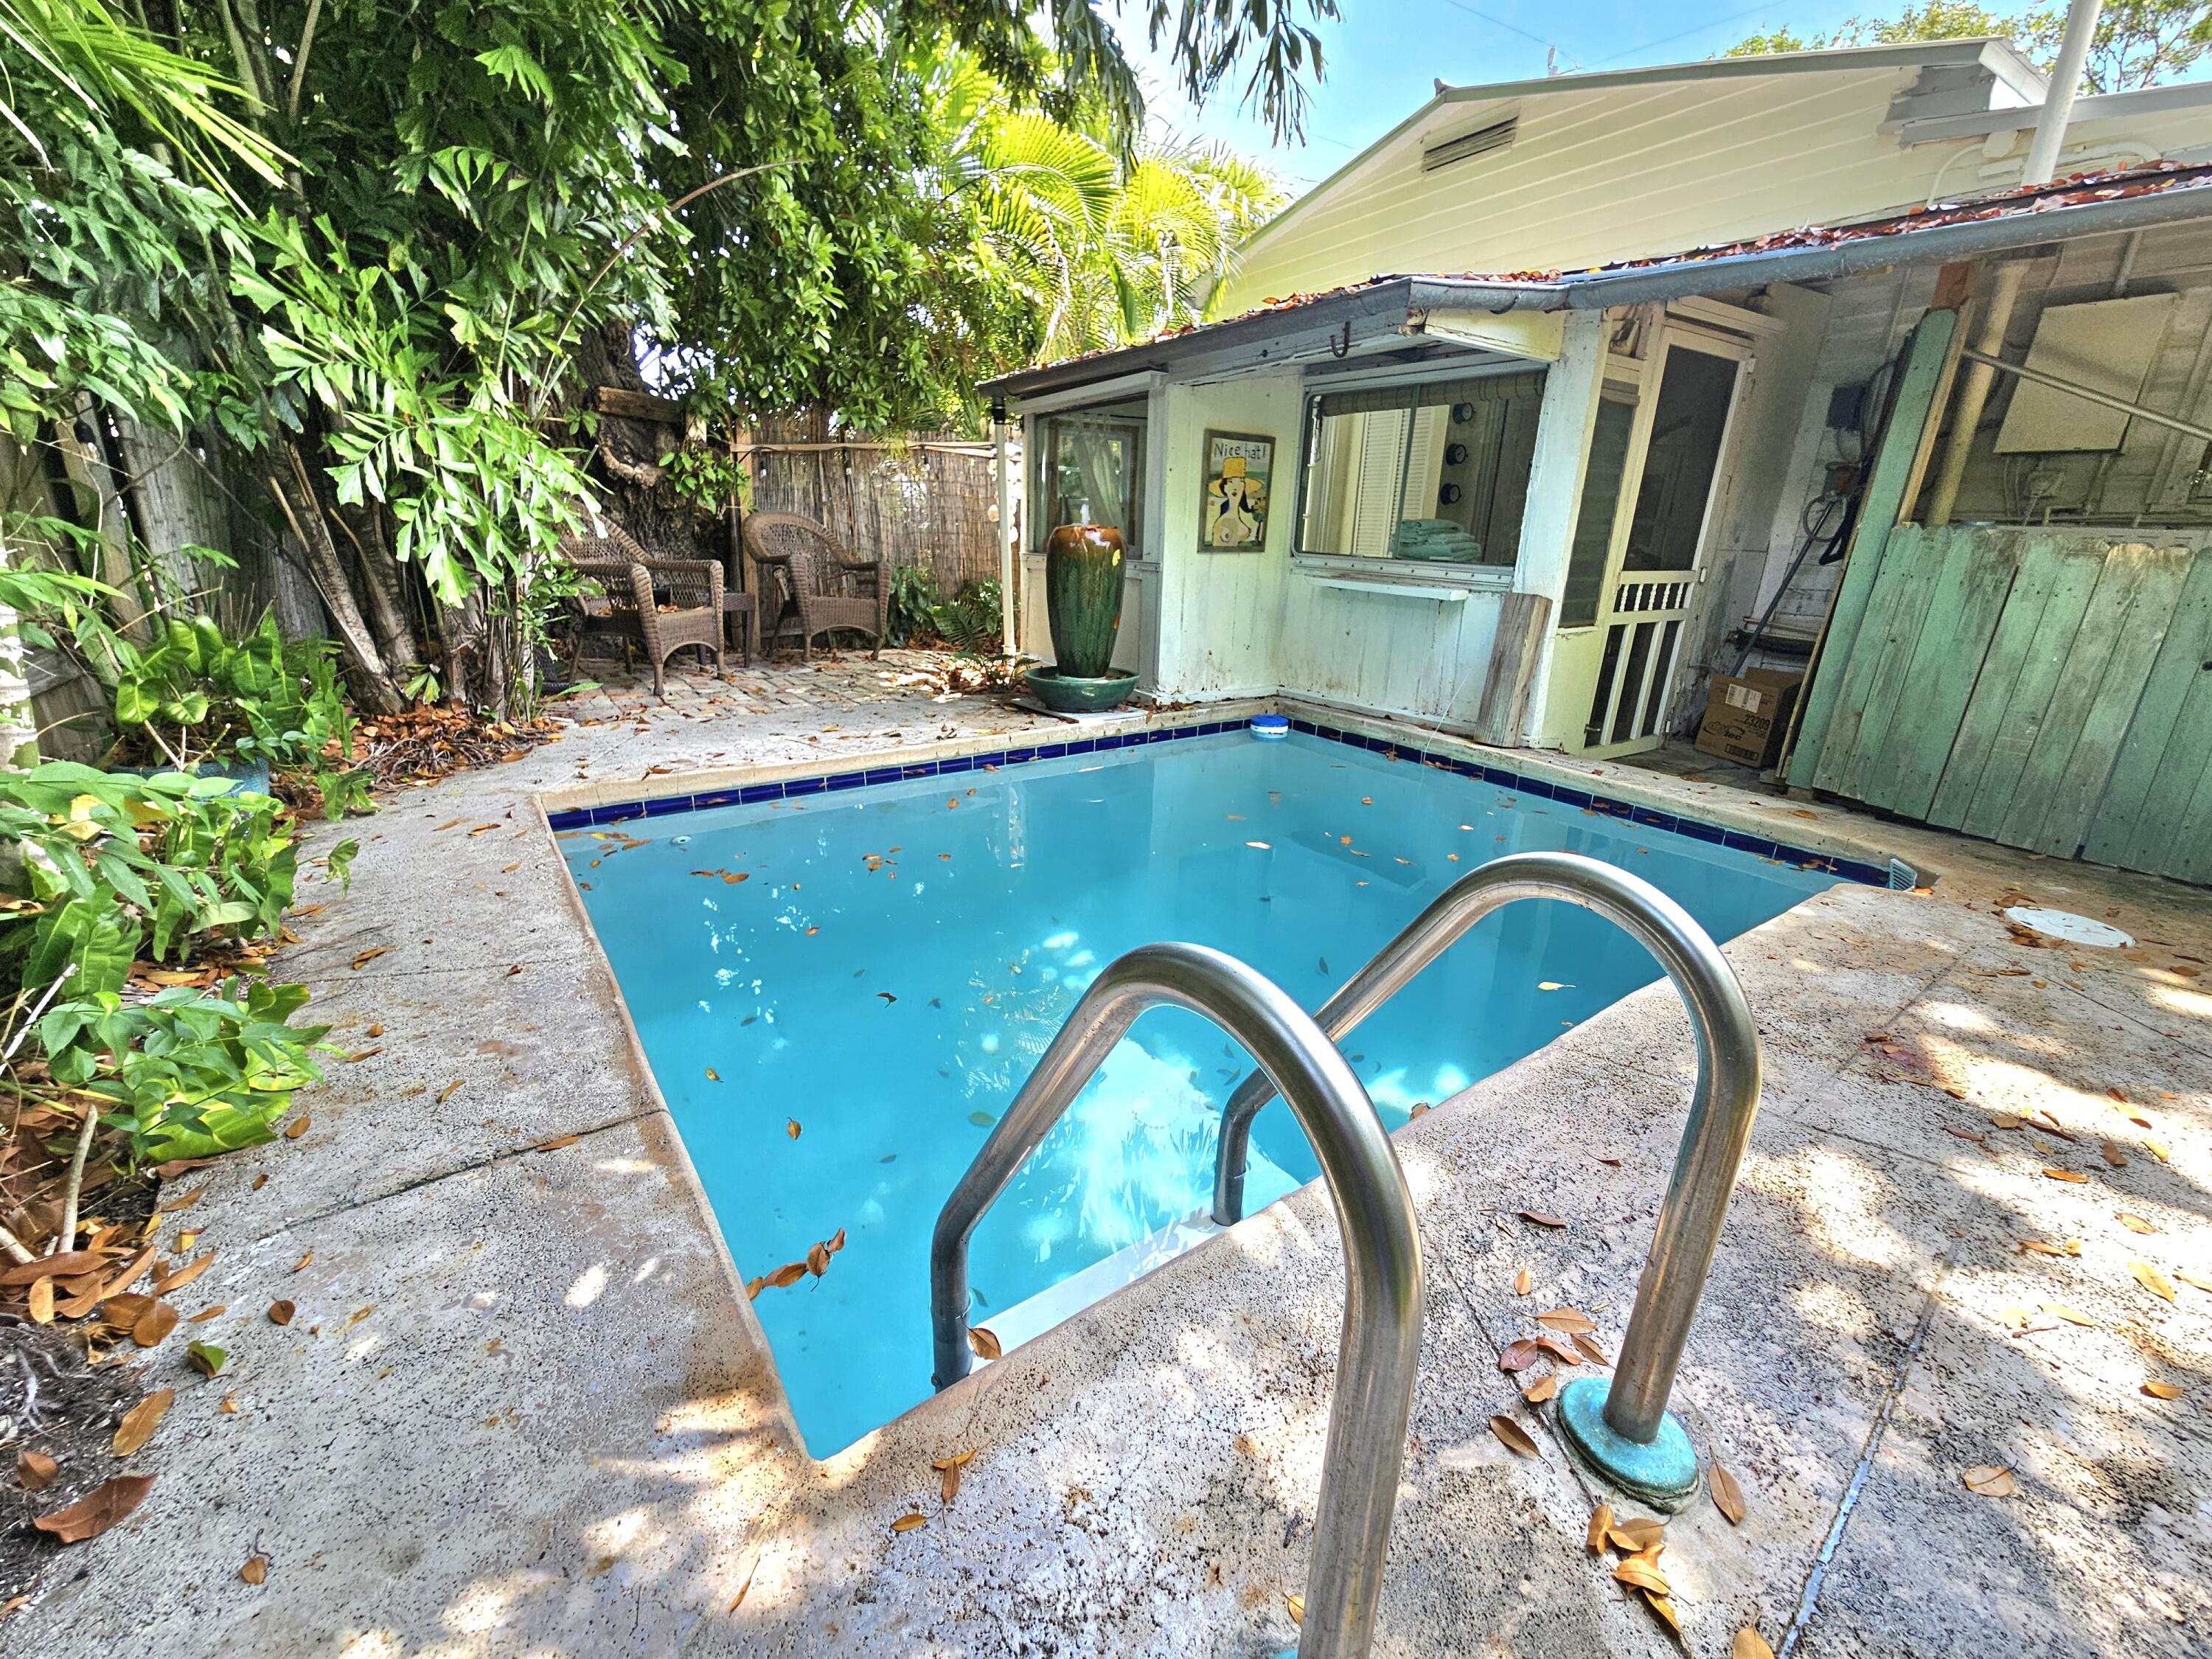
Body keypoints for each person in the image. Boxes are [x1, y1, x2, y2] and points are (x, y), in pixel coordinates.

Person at [1208, 454, 1262, 547]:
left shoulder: (1233, 516)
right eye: (1230, 482)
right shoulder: (1227, 521)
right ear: (1224, 487)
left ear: (1243, 487)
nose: (1235, 488)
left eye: (1240, 482)